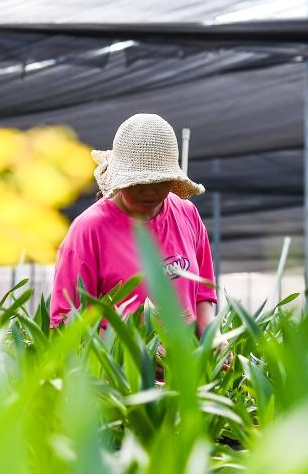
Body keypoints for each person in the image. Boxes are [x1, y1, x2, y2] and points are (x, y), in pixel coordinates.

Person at [49, 113, 217, 336]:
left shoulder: (187, 214)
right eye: (137, 182)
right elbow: (65, 323)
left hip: (184, 368)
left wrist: (211, 338)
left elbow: (203, 293)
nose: (148, 191)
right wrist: (135, 349)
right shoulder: (89, 230)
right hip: (116, 370)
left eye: (159, 181)